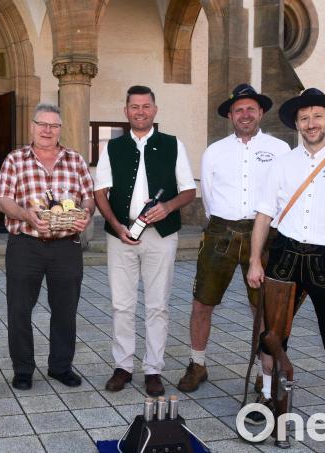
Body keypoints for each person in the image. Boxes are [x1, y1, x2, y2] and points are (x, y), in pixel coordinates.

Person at [246, 88, 325, 446]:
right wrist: (256, 260)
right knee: (272, 338)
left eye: (317, 116)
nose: (311, 123)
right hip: (285, 256)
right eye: (304, 118)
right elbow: (264, 215)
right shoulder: (282, 163)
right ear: (297, 124)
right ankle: (270, 399)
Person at [176, 84, 290, 393]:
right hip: (220, 232)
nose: (245, 114)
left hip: (265, 233)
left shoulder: (280, 150)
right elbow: (210, 198)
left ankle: (265, 370)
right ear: (230, 115)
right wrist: (223, 225)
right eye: (238, 109)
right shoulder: (214, 151)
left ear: (261, 112)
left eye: (250, 108)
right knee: (202, 302)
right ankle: (197, 363)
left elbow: (285, 194)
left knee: (263, 309)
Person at [95, 85, 196, 397]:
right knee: (121, 305)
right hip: (121, 236)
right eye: (134, 106)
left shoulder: (172, 144)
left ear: (155, 109)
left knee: (157, 305)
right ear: (126, 111)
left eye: (146, 106)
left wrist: (167, 207)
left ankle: (153, 369)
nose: (140, 111)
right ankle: (123, 366)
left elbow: (189, 190)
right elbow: (100, 192)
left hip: (162, 237)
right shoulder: (113, 147)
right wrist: (114, 225)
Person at [0, 103, 95, 390]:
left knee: (65, 309)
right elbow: (3, 199)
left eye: (54, 125)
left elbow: (88, 197)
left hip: (66, 246)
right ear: (32, 127)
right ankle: (23, 369)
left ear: (61, 129)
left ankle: (61, 367)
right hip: (26, 244)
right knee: (20, 309)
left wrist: (86, 213)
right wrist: (26, 214)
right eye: (42, 124)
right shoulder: (15, 160)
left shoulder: (75, 160)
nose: (48, 130)